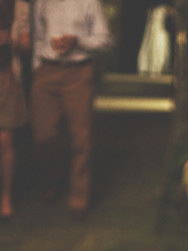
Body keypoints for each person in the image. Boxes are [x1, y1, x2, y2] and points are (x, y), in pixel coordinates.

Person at [31, 0, 111, 219]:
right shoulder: (42, 2)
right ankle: (52, 180)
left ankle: (79, 198)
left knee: (81, 138)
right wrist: (37, 66)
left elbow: (104, 40)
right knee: (44, 135)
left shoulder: (89, 2)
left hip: (78, 72)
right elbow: (38, 37)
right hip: (47, 71)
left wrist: (78, 41)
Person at [0, 0, 29, 220]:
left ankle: (6, 197)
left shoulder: (20, 8)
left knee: (7, 140)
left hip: (7, 78)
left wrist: (12, 41)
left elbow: (27, 46)